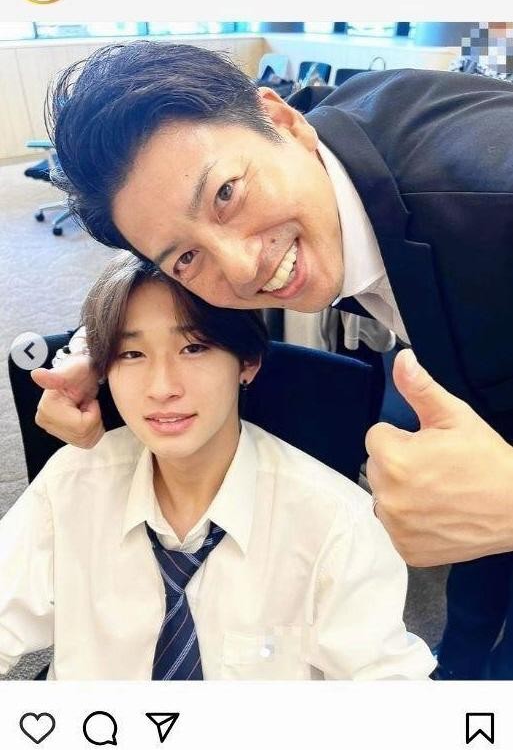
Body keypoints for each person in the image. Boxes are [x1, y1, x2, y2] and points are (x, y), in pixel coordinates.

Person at [31, 41, 513, 679]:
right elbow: (163, 239)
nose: (240, 269)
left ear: (282, 121)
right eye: (187, 257)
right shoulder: (300, 138)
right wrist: (100, 347)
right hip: (480, 391)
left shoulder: (493, 205)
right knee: (478, 592)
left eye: (226, 195)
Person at [0, 252, 434, 680]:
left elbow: (388, 682)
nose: (162, 388)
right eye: (131, 354)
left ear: (248, 362)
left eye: (194, 348)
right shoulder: (71, 484)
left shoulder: (335, 523)